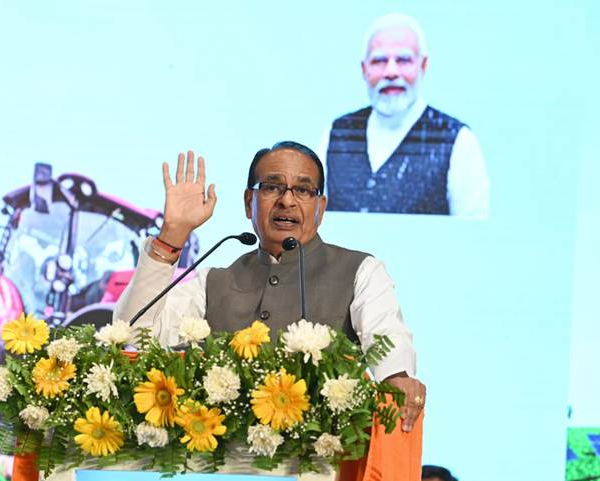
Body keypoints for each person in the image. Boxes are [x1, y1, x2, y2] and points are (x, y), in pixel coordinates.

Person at [114, 142, 426, 431]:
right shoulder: (212, 282)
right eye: (272, 187)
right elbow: (135, 336)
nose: (287, 200)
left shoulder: (361, 271)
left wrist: (396, 378)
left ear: (321, 207)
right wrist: (173, 232)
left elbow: (387, 337)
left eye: (303, 190)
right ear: (249, 201)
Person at [322, 13, 489, 219]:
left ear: (423, 66)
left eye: (403, 60)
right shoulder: (337, 133)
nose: (391, 72)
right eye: (379, 61)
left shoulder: (458, 140)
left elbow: (473, 235)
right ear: (364, 69)